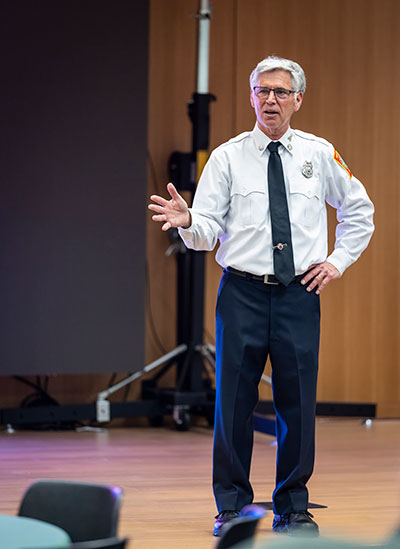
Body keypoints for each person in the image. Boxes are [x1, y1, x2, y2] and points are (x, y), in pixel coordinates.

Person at [148, 56, 374, 537]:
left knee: (297, 403)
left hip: (298, 295)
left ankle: (293, 507)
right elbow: (207, 230)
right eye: (261, 91)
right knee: (232, 404)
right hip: (243, 294)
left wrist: (337, 262)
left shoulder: (319, 154)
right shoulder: (228, 157)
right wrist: (189, 222)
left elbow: (360, 211)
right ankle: (231, 508)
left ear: (297, 100)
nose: (270, 99)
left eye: (280, 92)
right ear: (251, 97)